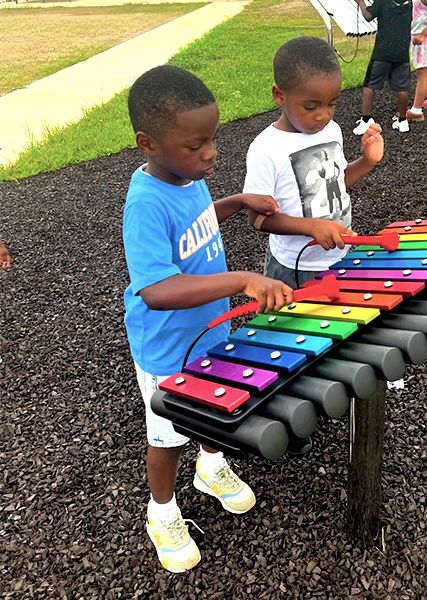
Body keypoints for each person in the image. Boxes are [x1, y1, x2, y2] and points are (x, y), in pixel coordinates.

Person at [123, 65, 294, 573]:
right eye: (197, 145)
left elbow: (197, 222)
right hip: (166, 346)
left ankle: (211, 465)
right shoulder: (146, 203)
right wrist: (242, 280)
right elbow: (156, 289)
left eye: (213, 141)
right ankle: (162, 511)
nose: (211, 154)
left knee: (212, 405)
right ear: (148, 144)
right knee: (168, 435)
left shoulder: (186, 175)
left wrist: (234, 202)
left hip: (208, 331)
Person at [243, 36, 384, 289]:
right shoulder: (265, 148)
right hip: (294, 268)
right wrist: (311, 227)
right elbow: (256, 219)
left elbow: (336, 184)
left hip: (341, 257)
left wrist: (367, 161)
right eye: (310, 107)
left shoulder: (332, 131)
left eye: (332, 104)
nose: (324, 115)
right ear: (279, 95)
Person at [352, 0, 413, 134]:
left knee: (370, 85)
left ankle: (366, 120)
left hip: (382, 52)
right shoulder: (409, 2)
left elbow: (368, 16)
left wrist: (361, 2)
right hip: (402, 51)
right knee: (401, 87)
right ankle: (403, 120)